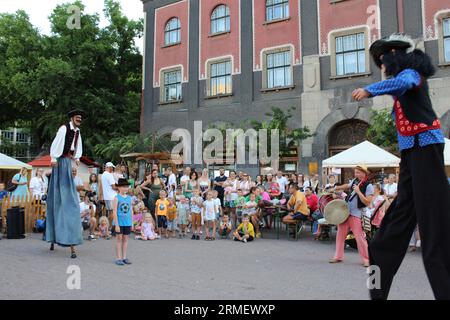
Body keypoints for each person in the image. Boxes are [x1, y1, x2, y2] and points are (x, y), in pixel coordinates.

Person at [353, 34, 450, 300]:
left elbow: (403, 82)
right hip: (411, 155)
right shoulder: (402, 82)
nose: (382, 68)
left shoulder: (412, 74)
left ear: (395, 54)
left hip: (426, 149)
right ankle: (376, 290)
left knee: (435, 231)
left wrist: (370, 89)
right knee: (382, 241)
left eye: (383, 61)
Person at [45, 109, 86, 258]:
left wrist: (76, 158)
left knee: (68, 201)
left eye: (80, 118)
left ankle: (68, 236)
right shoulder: (64, 128)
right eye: (77, 117)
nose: (79, 119)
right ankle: (54, 237)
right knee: (57, 198)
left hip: (68, 162)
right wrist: (54, 158)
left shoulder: (78, 132)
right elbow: (57, 144)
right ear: (72, 118)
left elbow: (77, 148)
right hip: (60, 162)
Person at [329, 165, 373, 267]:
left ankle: (366, 259)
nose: (356, 174)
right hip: (345, 212)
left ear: (364, 173)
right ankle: (338, 256)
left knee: (360, 237)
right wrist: (337, 187)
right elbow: (347, 186)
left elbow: (367, 202)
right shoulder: (355, 181)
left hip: (356, 213)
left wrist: (358, 192)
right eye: (355, 172)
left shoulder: (369, 186)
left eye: (358, 172)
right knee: (340, 236)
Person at [112, 178, 134, 266]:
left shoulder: (129, 198)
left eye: (127, 187)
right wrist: (116, 224)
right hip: (119, 222)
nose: (126, 188)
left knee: (125, 240)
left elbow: (131, 210)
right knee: (119, 240)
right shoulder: (116, 198)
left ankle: (124, 257)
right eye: (124, 187)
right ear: (119, 187)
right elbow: (114, 211)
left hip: (127, 222)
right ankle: (118, 258)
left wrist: (132, 222)